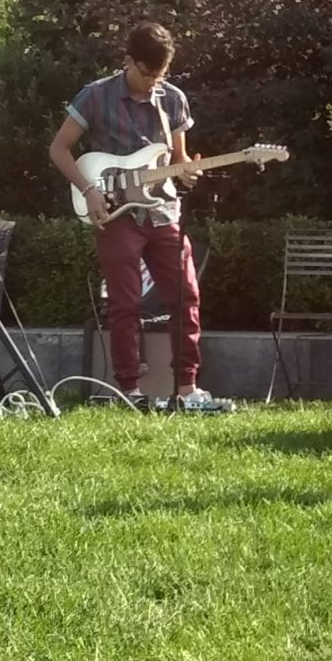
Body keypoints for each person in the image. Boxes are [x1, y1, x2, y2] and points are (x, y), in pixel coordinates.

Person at [49, 20, 233, 415]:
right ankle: (129, 390)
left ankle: (187, 389)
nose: (153, 82)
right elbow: (59, 149)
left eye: (161, 75)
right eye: (147, 73)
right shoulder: (95, 96)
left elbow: (178, 158)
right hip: (118, 213)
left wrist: (188, 170)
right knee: (125, 302)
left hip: (164, 210)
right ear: (128, 61)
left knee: (187, 296)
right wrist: (89, 190)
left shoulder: (173, 99)